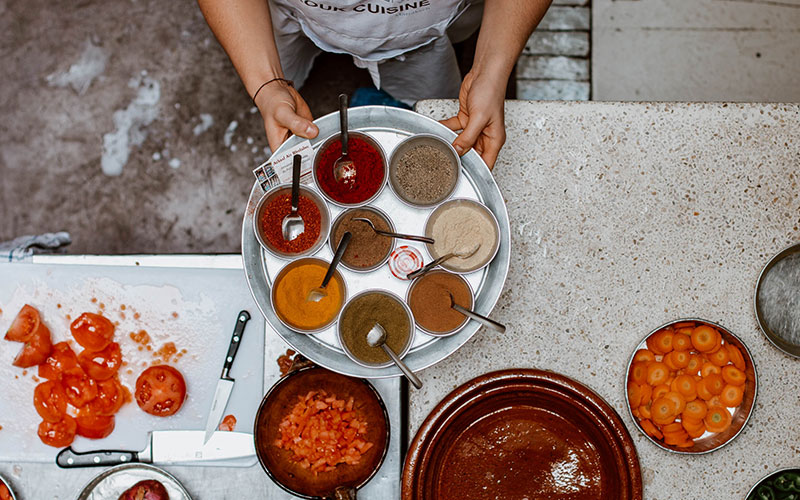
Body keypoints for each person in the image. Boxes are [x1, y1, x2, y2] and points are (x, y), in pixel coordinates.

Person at [197, 0, 551, 169]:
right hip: (291, 14)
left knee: (428, 98)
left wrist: (490, 69)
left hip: (422, 32)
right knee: (287, 78)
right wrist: (266, 81)